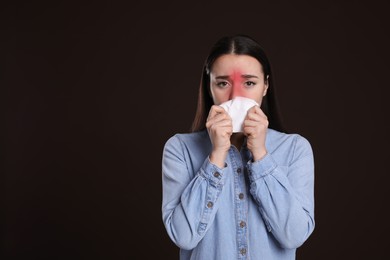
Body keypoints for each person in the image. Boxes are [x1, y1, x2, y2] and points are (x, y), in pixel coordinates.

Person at [161, 34, 315, 259]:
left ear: (265, 86)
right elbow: (183, 236)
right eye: (223, 83)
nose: (236, 96)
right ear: (209, 87)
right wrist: (216, 155)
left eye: (250, 83)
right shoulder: (179, 149)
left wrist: (261, 155)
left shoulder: (295, 149)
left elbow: (294, 235)